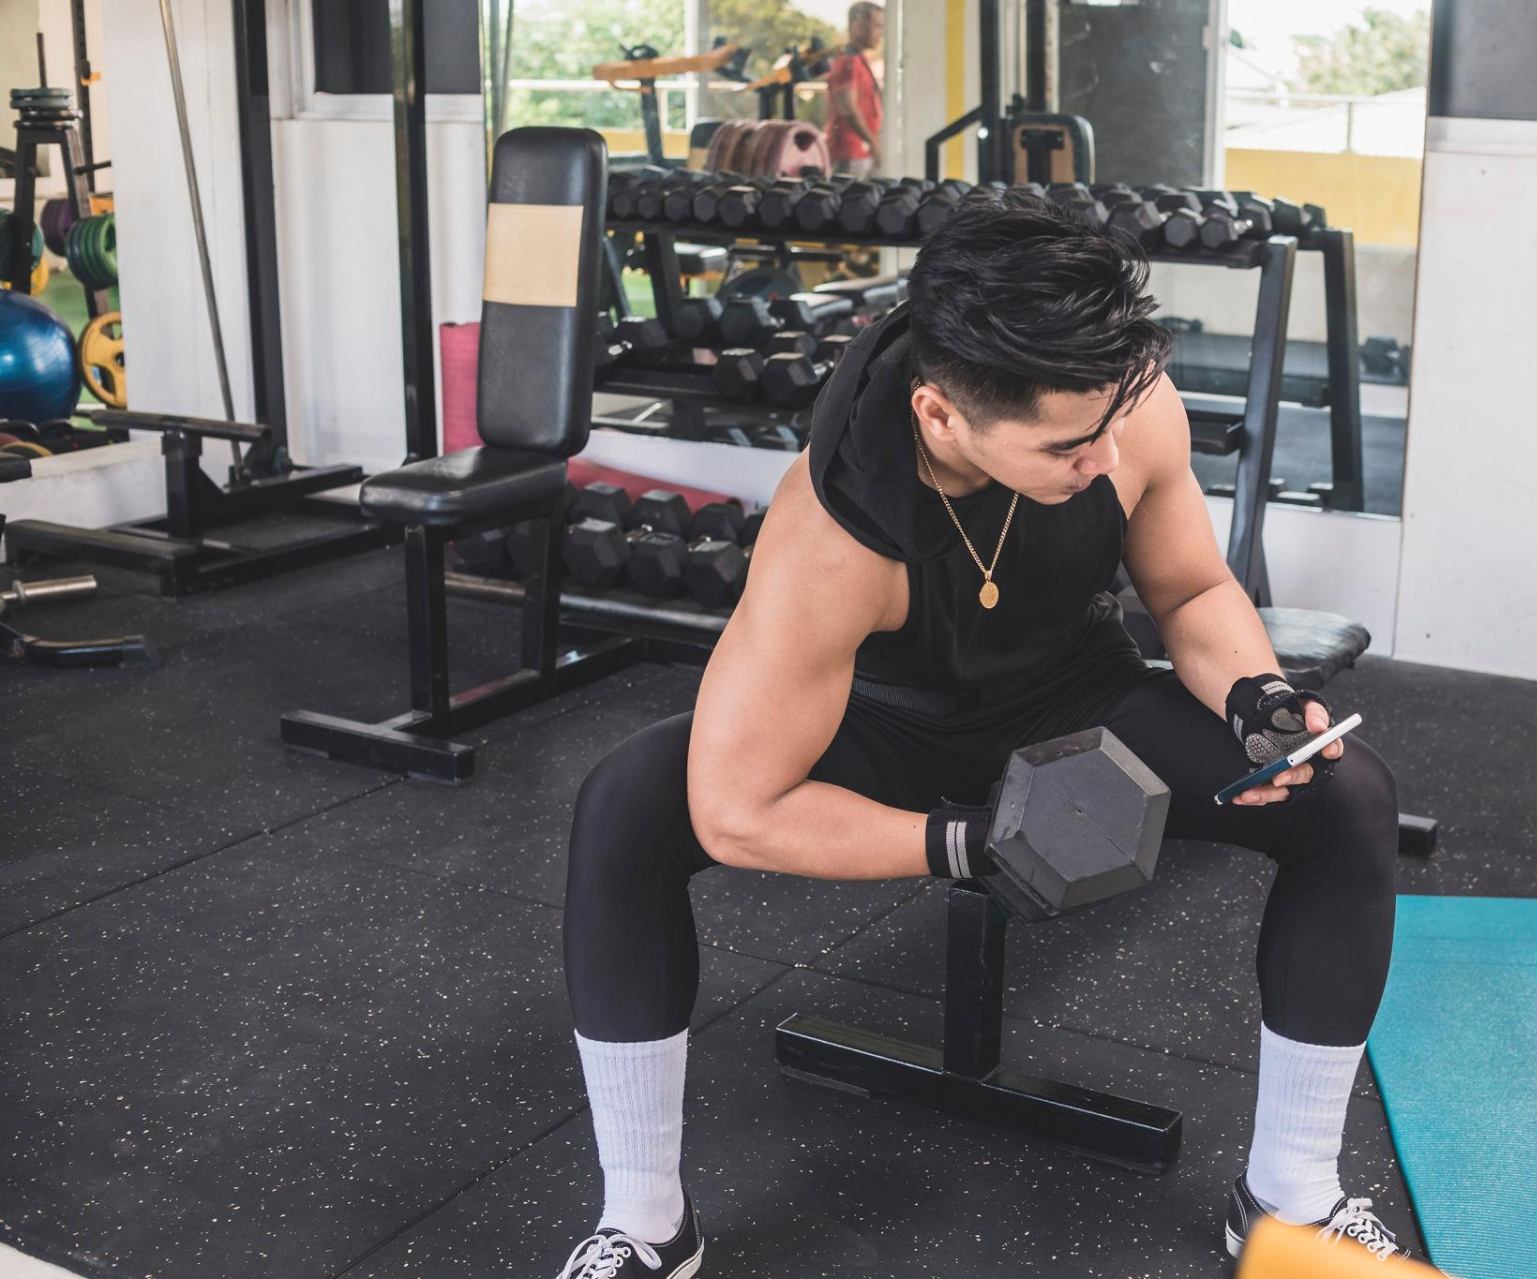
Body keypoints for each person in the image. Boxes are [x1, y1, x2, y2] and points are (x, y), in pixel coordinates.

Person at [552, 191, 1404, 1277]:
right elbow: (740, 810)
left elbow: (1190, 589)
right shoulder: (833, 536)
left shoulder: (1126, 408)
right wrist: (966, 842)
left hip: (1079, 700)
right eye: (1065, 445)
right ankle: (645, 1223)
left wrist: (1257, 700)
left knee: (1349, 796)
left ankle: (1294, 1202)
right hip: (887, 728)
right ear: (942, 417)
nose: (1101, 457)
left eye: (1108, 426)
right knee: (629, 805)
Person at [825, 1, 884, 178]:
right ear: (858, 26)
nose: (880, 34)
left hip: (860, 151)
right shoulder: (847, 61)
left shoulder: (859, 60)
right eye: (877, 27)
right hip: (849, 152)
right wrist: (873, 143)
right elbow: (847, 108)